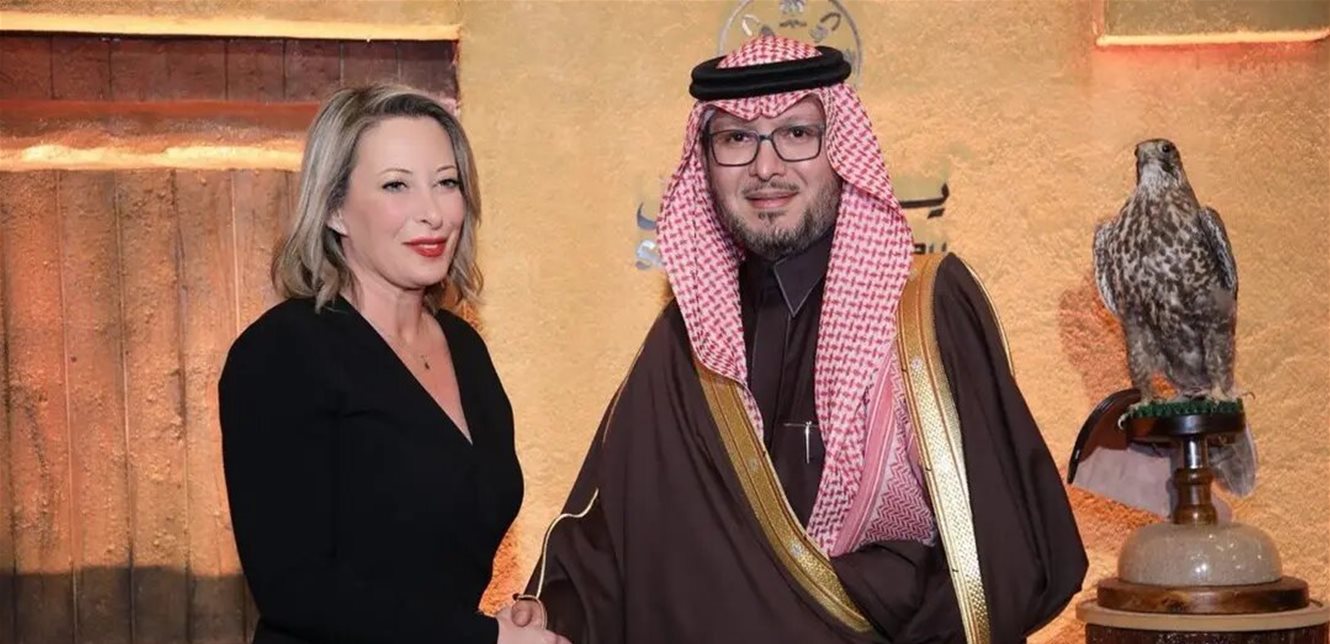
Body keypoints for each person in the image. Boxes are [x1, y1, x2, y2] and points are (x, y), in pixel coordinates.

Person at [507, 36, 1088, 643]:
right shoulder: (684, 341)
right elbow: (607, 534)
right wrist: (549, 612)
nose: (765, 167)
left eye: (797, 133)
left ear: (840, 147)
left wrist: (874, 594)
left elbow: (1004, 554)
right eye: (737, 138)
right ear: (705, 160)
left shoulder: (923, 310)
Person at [218, 84, 569, 644]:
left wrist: (501, 622)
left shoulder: (464, 346)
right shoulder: (282, 353)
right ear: (334, 208)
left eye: (446, 183)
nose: (432, 213)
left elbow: (440, 559)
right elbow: (296, 588)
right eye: (396, 185)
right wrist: (483, 640)